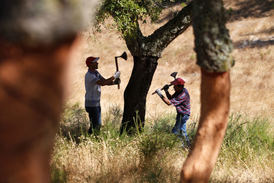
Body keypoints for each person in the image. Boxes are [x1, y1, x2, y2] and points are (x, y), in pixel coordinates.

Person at [85, 56, 121, 134]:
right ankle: (92, 139)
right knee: (96, 126)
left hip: (96, 103)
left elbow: (105, 81)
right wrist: (114, 76)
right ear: (90, 64)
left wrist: (114, 82)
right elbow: (102, 83)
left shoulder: (96, 73)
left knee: (95, 125)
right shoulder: (89, 75)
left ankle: (89, 139)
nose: (97, 63)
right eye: (95, 62)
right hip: (91, 104)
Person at [155, 78, 191, 147]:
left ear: (180, 86)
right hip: (181, 114)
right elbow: (171, 98)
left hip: (183, 115)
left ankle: (181, 147)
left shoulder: (182, 95)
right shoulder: (180, 91)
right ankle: (188, 146)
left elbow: (169, 103)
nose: (173, 87)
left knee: (175, 131)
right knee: (183, 132)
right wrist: (166, 91)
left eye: (175, 86)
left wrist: (160, 94)